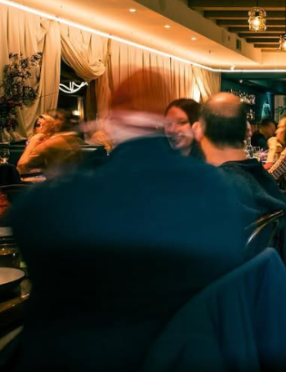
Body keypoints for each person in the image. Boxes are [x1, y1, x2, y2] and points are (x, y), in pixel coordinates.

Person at [8, 71, 250, 372]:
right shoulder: (217, 191)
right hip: (189, 355)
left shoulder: (63, 203)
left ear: (112, 120)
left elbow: (22, 215)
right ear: (162, 121)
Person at [17, 109, 83, 177]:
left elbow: (21, 167)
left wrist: (34, 140)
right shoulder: (71, 139)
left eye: (41, 125)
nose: (39, 128)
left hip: (57, 184)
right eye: (38, 125)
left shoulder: (48, 144)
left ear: (52, 125)